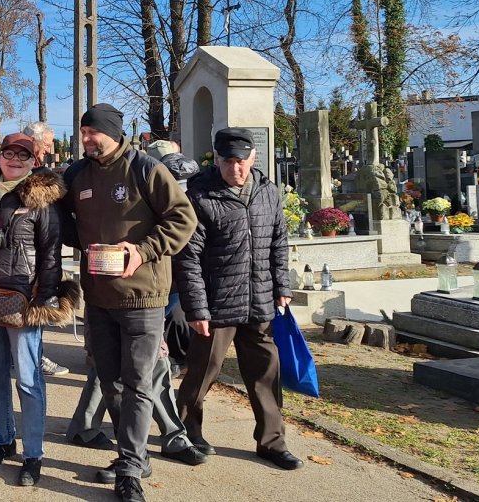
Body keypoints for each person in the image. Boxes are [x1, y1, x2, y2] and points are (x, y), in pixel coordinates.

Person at [60, 103, 204, 502]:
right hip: (98, 297)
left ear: (114, 132)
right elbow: (61, 218)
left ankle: (129, 469)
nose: (87, 139)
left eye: (94, 132)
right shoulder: (77, 175)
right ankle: (135, 456)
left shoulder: (145, 169)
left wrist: (141, 252)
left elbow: (182, 218)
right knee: (112, 384)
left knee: (139, 384)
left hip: (143, 297)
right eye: (83, 132)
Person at [174, 128, 304, 471]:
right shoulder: (200, 197)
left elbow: (278, 241)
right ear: (216, 160)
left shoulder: (268, 192)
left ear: (253, 158)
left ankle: (272, 442)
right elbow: (188, 259)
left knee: (266, 373)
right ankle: (184, 432)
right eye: (228, 161)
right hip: (217, 305)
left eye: (242, 161)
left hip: (260, 300)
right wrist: (196, 308)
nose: (236, 168)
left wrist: (283, 287)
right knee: (202, 372)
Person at [0, 133, 75, 487]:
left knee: (28, 379)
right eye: (9, 153)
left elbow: (51, 251)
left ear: (33, 161)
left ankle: (34, 454)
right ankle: (3, 439)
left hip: (24, 301)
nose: (15, 159)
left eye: (23, 155)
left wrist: (45, 298)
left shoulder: (40, 199)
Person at [21, 121, 68, 377]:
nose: (50, 148)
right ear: (35, 141)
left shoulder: (42, 171)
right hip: (32, 253)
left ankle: (33, 355)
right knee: (32, 307)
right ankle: (34, 357)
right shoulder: (31, 174)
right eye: (47, 143)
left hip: (39, 249)